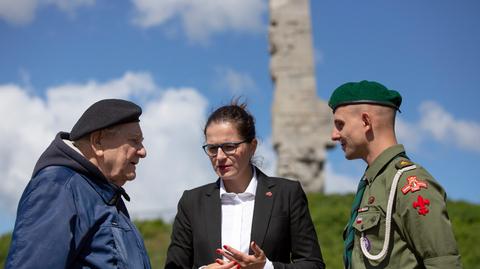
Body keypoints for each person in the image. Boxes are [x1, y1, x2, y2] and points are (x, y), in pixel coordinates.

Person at [165, 101, 325, 269]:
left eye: (229, 147)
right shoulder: (191, 202)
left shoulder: (287, 194)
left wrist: (266, 267)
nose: (219, 156)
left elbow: (313, 265)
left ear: (252, 147)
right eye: (212, 148)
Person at [328, 80, 462, 269]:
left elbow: (443, 263)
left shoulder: (408, 183)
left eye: (340, 125)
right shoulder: (373, 184)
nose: (334, 135)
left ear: (366, 121)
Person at [6, 99, 152, 268]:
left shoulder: (106, 197)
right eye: (134, 140)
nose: (143, 151)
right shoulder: (58, 187)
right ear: (98, 142)